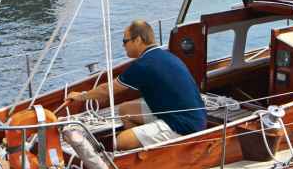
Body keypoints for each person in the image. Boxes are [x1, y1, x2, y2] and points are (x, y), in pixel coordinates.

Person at [67, 20, 206, 150]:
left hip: (182, 126)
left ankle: (140, 157)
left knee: (119, 141)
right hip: (191, 117)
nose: (123, 45)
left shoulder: (144, 65)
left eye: (125, 41)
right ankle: (142, 149)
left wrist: (81, 96)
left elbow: (107, 89)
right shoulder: (165, 56)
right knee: (125, 110)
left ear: (138, 40)